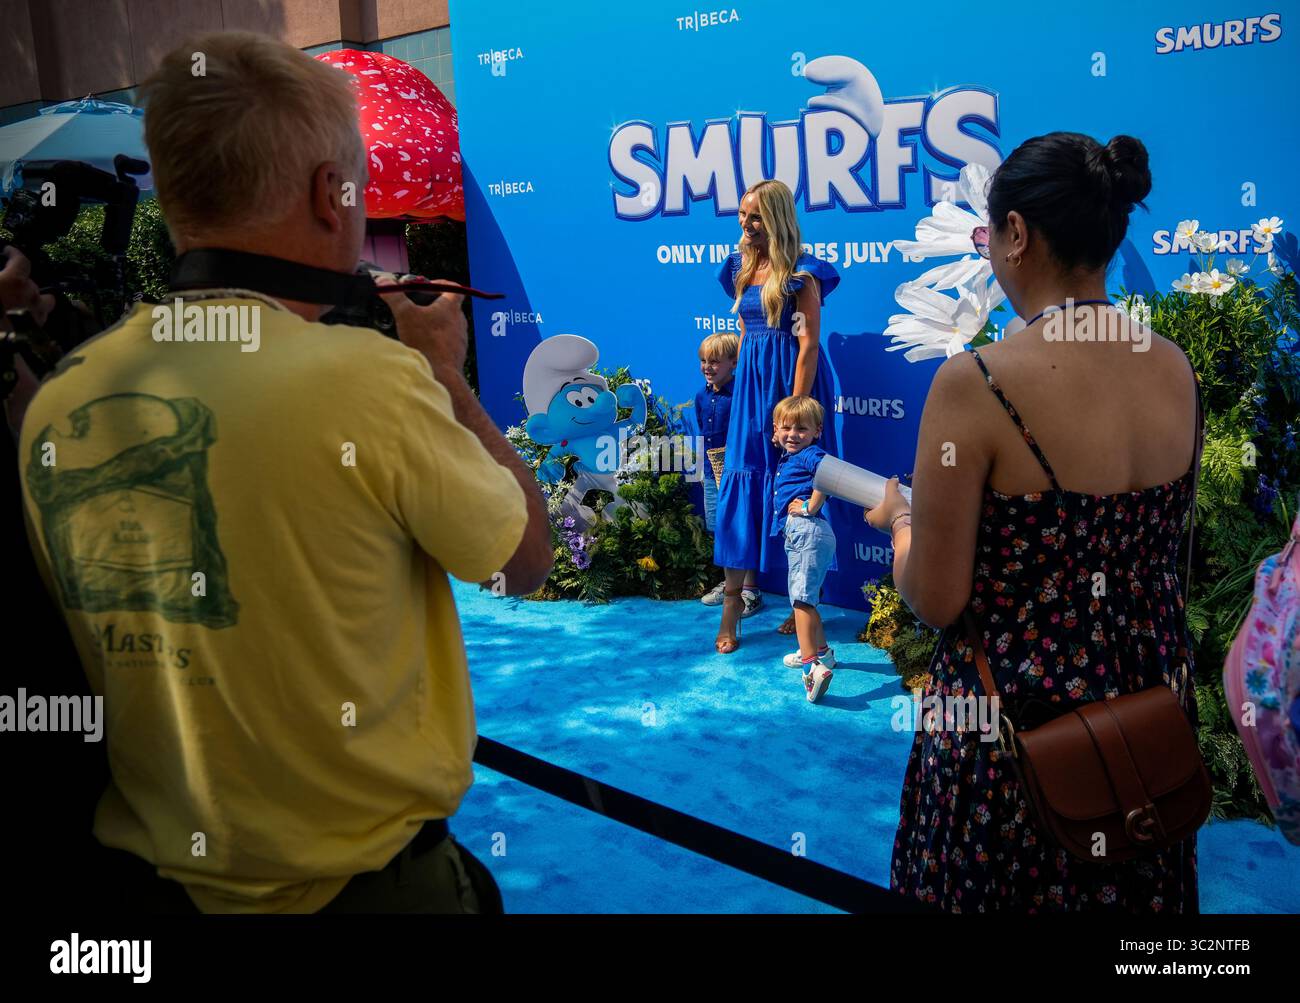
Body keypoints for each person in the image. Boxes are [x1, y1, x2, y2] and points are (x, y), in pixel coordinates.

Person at [16, 31, 553, 914]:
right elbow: (523, 561)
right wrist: (444, 375)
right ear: (327, 194)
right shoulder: (370, 381)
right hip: (368, 893)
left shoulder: (61, 398)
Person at [865, 132, 1202, 912]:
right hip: (1144, 736)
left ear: (1017, 233)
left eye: (991, 236)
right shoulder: (1175, 367)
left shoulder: (976, 382)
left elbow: (937, 599)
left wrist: (903, 522)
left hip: (1014, 746)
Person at [713, 180, 840, 653]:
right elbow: (746, 334)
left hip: (792, 382)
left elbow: (807, 342)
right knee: (743, 482)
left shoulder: (803, 273)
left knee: (795, 485)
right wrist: (740, 387)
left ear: (778, 218)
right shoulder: (739, 269)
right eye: (743, 216)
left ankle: (800, 602)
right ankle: (733, 606)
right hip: (752, 385)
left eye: (756, 217)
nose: (746, 224)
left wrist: (795, 407)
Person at [769, 395, 837, 701]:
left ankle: (813, 668)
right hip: (808, 534)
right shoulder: (790, 456)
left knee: (800, 603)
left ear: (817, 431)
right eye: (786, 428)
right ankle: (824, 652)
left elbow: (828, 472)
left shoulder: (810, 454)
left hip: (806, 531)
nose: (792, 434)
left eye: (801, 429)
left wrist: (810, 505)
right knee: (806, 600)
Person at [693, 332, 739, 605]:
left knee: (738, 526)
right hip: (711, 472)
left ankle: (746, 587)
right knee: (718, 527)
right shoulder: (701, 396)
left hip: (734, 472)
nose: (707, 367)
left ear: (733, 362)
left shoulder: (739, 396)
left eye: (715, 361)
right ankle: (728, 582)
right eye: (703, 361)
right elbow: (702, 431)